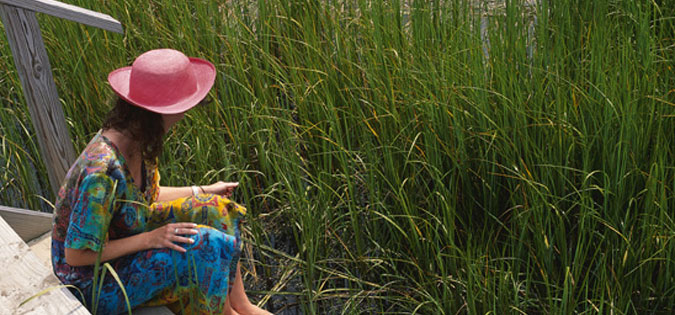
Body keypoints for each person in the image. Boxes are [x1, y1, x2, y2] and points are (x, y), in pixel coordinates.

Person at [51, 48, 271, 314]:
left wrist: (200, 190)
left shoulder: (140, 141)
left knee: (215, 208)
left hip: (126, 240)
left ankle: (242, 306)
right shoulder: (101, 173)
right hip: (93, 283)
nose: (183, 116)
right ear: (156, 113)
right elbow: (76, 255)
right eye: (180, 110)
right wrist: (149, 239)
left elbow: (145, 197)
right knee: (203, 246)